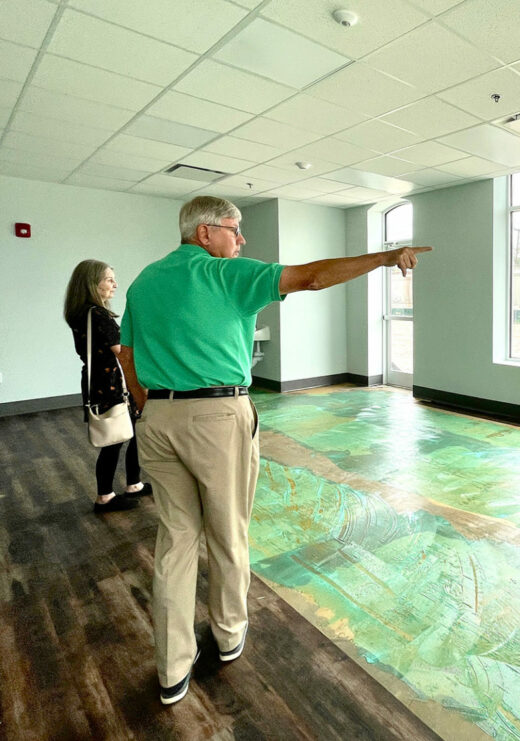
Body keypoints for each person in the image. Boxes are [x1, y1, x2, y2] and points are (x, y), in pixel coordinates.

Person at [119, 196, 431, 704]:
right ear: (204, 233)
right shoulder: (225, 275)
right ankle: (226, 635)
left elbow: (126, 351)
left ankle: (172, 666)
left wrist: (148, 405)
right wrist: (382, 256)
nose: (241, 240)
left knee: (176, 541)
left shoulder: (144, 281)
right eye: (234, 229)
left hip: (158, 420)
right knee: (228, 532)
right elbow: (310, 277)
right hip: (219, 419)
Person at [63, 260, 153, 513]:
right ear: (93, 284)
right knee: (115, 437)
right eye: (109, 279)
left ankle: (133, 483)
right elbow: (121, 352)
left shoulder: (81, 313)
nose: (115, 284)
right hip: (112, 382)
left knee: (127, 431)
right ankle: (105, 497)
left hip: (100, 380)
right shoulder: (98, 314)